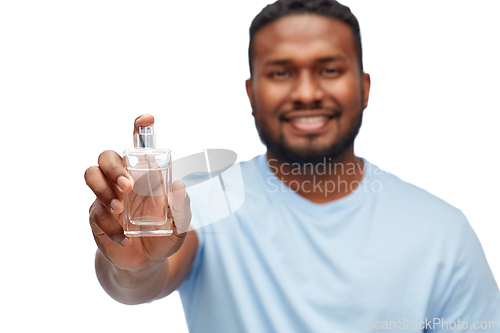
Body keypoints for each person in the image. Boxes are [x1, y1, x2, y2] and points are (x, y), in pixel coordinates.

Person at [84, 0, 500, 331]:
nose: (305, 93)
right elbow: (143, 279)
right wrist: (132, 263)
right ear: (251, 94)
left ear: (364, 87)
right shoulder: (206, 203)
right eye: (281, 72)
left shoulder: (443, 233)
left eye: (329, 70)